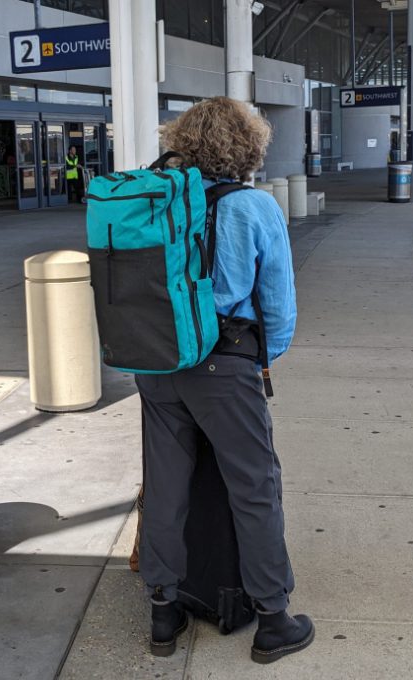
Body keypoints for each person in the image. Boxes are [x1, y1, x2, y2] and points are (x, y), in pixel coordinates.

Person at [135, 97, 314, 664]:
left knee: (165, 483)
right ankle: (273, 618)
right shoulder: (251, 206)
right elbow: (278, 306)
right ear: (247, 147)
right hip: (222, 363)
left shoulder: (155, 197)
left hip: (156, 360)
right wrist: (263, 356)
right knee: (254, 486)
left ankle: (164, 610)